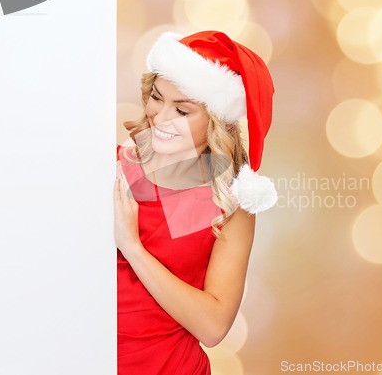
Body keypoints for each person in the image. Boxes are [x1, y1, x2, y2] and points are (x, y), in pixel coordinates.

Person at [113, 30, 277, 374]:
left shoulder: (230, 202)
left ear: (216, 120)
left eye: (182, 110)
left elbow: (213, 327)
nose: (160, 118)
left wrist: (133, 247)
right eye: (156, 98)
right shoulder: (112, 167)